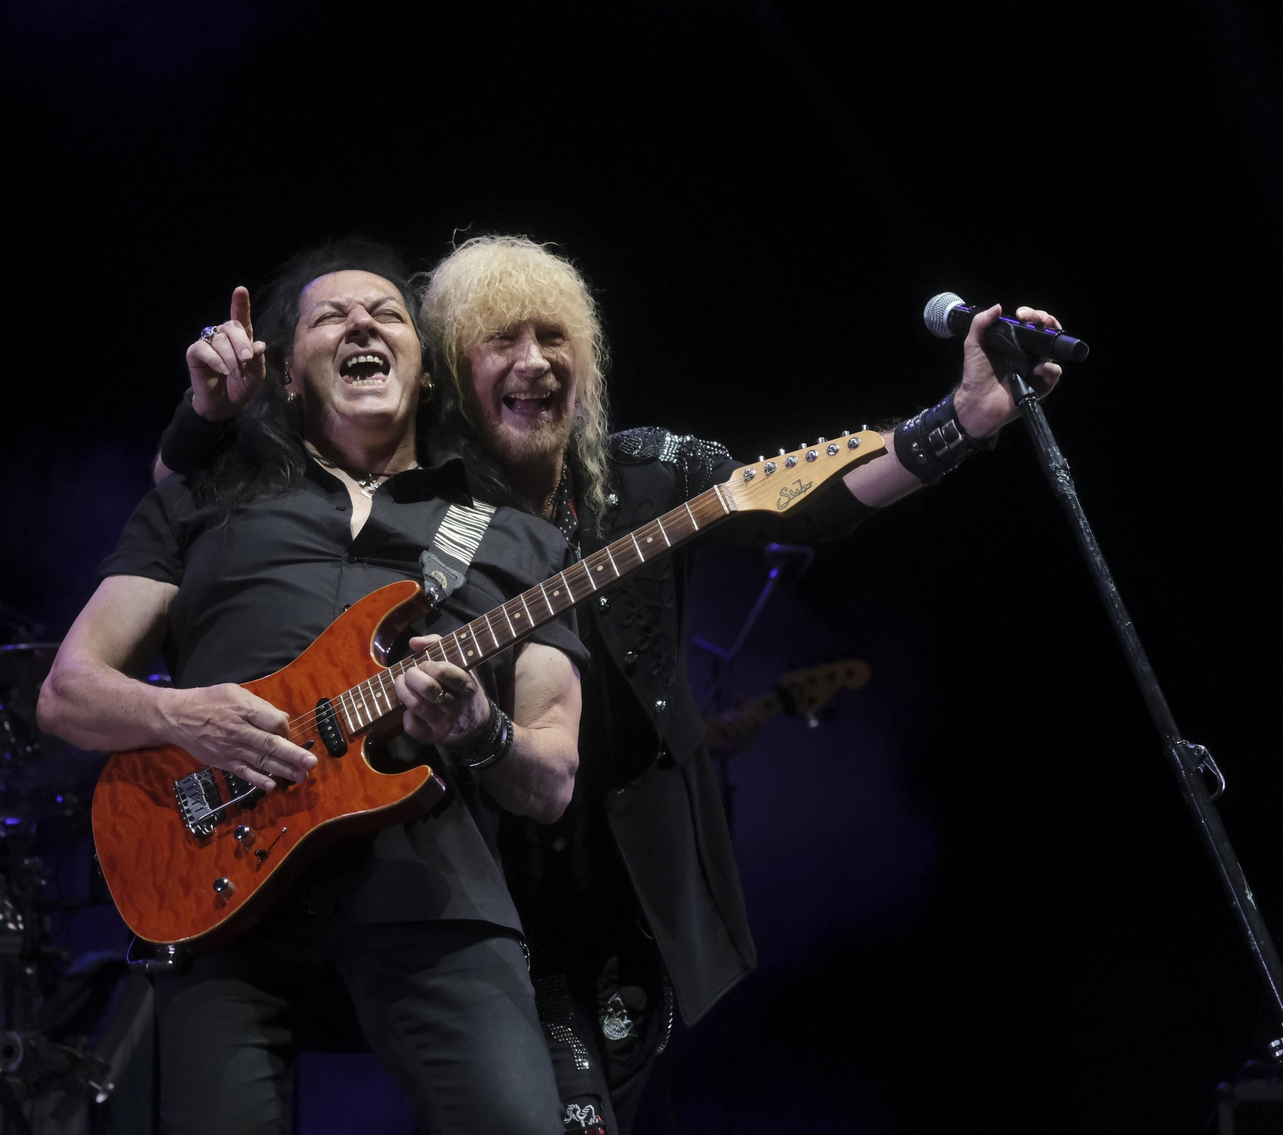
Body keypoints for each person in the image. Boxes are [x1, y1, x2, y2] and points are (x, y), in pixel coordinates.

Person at [155, 235, 1066, 1134]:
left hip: (618, 885)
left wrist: (963, 420)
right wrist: (207, 415)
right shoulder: (406, 497)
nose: (534, 362)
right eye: (501, 342)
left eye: (555, 339)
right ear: (448, 373)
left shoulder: (649, 473)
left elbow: (810, 496)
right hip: (471, 895)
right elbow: (187, 511)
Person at [38, 239, 591, 1135]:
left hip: (432, 893)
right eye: (330, 316)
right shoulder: (201, 501)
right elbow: (67, 692)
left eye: (388, 314)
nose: (363, 322)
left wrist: (480, 726)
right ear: (289, 378)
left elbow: (553, 775)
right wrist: (185, 713)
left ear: (425, 369)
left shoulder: (519, 540)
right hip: (219, 884)